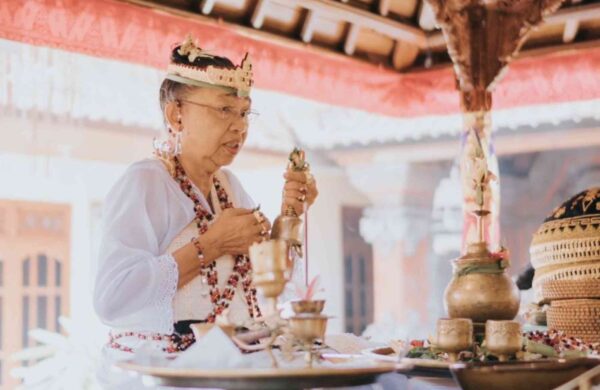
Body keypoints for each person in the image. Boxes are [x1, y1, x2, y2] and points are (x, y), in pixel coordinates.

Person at [93, 35, 318, 388]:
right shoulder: (146, 182)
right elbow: (112, 299)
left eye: (244, 113)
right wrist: (211, 245)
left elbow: (268, 281)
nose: (239, 126)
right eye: (224, 110)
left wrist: (290, 215)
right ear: (176, 114)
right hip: (162, 374)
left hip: (228, 366)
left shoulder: (229, 187)